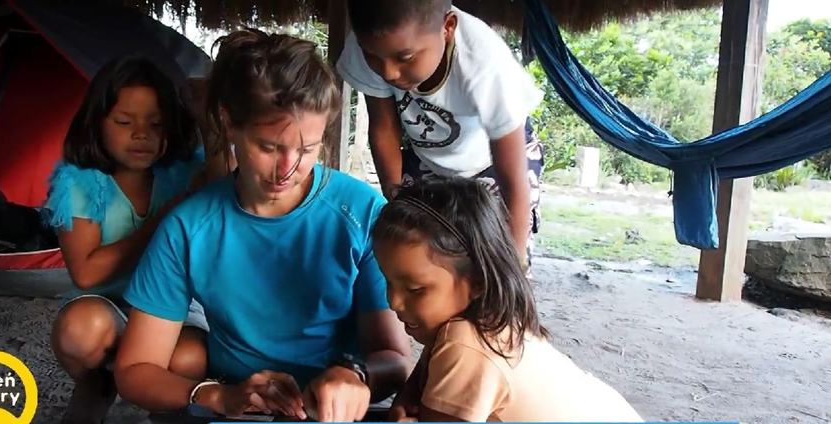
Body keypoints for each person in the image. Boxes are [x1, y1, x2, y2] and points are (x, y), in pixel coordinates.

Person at [112, 29, 413, 422]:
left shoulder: (360, 211)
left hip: (338, 413)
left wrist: (355, 374)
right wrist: (219, 396)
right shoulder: (190, 227)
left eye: (307, 149)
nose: (287, 169)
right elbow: (135, 371)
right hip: (239, 410)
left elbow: (394, 360)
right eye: (269, 147)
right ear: (229, 122)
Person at [371, 178, 644, 422]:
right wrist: (410, 394)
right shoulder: (489, 320)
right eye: (388, 281)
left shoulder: (467, 343)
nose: (393, 302)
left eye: (416, 289)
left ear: (477, 281)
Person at [40, 56, 210, 423]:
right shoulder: (80, 182)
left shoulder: (186, 173)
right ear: (97, 123)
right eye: (124, 122)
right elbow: (86, 273)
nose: (141, 134)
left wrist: (204, 117)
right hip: (107, 305)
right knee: (79, 330)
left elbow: (227, 173)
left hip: (176, 307)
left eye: (156, 123)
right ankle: (100, 382)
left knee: (189, 358)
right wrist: (166, 219)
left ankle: (158, 399)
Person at [336, 0, 544, 275]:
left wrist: (514, 267)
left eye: (405, 57)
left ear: (447, 28)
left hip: (494, 162)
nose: (388, 73)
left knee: (496, 267)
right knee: (417, 258)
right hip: (426, 156)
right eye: (373, 57)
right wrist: (396, 207)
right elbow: (384, 127)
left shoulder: (485, 64)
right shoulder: (371, 44)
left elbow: (513, 182)